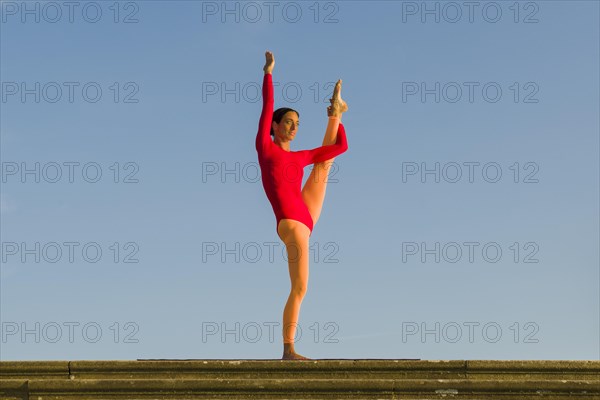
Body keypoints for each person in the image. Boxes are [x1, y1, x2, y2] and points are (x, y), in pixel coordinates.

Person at [256, 51, 349, 360]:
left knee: (325, 163)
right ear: (275, 126)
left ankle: (335, 111)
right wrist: (268, 73)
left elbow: (340, 147)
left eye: (297, 123)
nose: (294, 128)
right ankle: (288, 348)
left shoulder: (299, 156)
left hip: (306, 214)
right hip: (292, 225)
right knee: (300, 288)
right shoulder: (266, 149)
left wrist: (338, 117)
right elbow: (267, 106)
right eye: (288, 122)